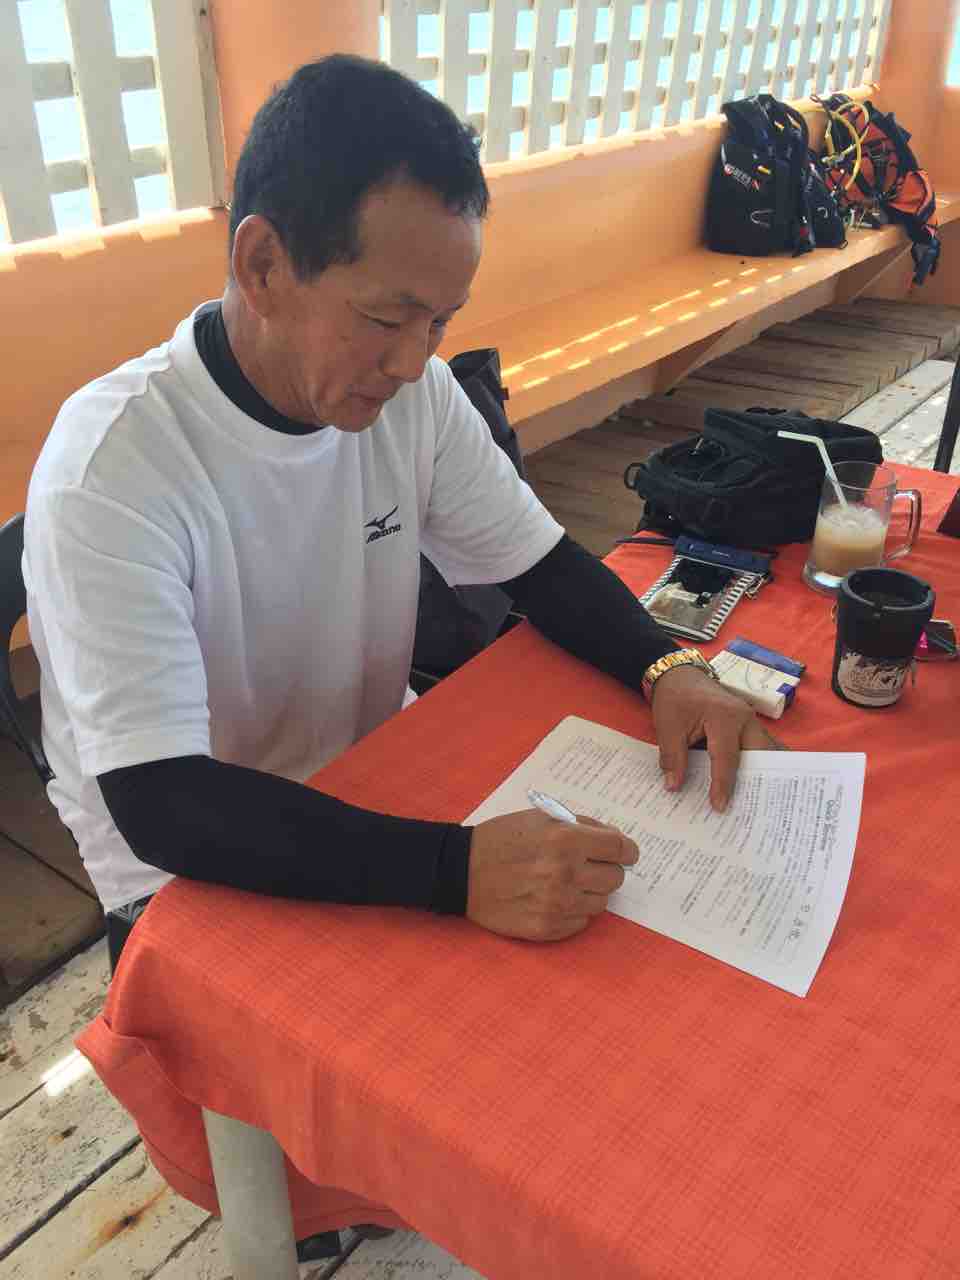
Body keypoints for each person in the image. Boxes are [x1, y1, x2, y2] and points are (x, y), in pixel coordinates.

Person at [24, 55, 782, 973]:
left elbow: (538, 565)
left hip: (375, 772)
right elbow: (163, 804)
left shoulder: (407, 397)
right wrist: (456, 870)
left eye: (442, 323)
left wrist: (668, 668)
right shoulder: (113, 469)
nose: (415, 362)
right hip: (185, 872)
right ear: (262, 265)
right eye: (389, 319)